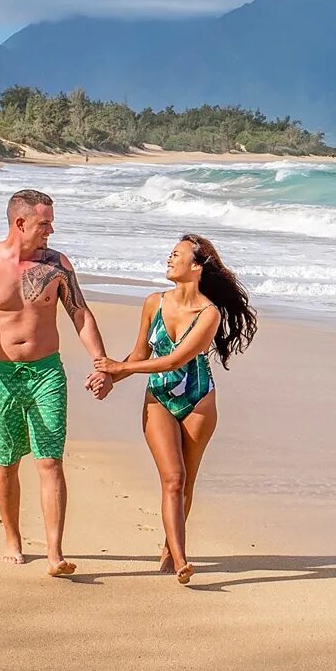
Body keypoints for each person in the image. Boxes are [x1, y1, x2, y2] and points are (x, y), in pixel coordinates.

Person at [0, 188, 114, 576]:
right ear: (20, 222)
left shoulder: (57, 265)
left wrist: (101, 362)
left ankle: (55, 552)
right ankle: (12, 538)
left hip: (46, 373)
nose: (51, 231)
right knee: (6, 462)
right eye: (45, 223)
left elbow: (80, 314)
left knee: (50, 460)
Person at [92, 234, 257, 585]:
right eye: (170, 254)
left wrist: (119, 370)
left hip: (198, 398)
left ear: (196, 266)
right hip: (159, 399)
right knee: (173, 477)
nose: (169, 259)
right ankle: (181, 559)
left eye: (177, 255)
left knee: (187, 481)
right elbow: (140, 356)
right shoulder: (153, 303)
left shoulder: (209, 313)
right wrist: (110, 377)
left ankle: (170, 548)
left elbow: (176, 360)